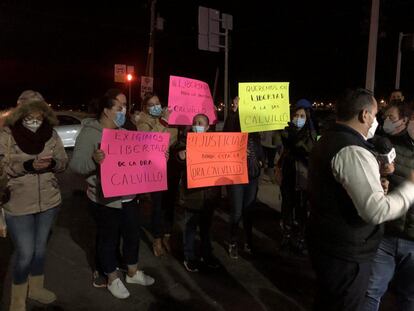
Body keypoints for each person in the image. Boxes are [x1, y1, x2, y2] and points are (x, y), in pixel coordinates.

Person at [307, 88, 414, 311]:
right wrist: (410, 188)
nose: (377, 121)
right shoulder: (353, 150)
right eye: (375, 115)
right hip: (346, 251)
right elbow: (376, 211)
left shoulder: (330, 138)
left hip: (331, 244)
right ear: (364, 115)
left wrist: (377, 183)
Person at [70, 95, 154, 300]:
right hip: (105, 200)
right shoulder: (89, 134)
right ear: (106, 111)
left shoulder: (125, 133)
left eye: (124, 107)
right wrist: (94, 160)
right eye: (119, 107)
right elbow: (76, 166)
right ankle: (112, 277)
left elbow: (140, 159)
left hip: (129, 199)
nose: (124, 111)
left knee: (133, 236)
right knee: (108, 240)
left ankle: (133, 273)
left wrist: (158, 155)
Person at [0, 99, 68, 311]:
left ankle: (36, 289)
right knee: (26, 253)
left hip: (48, 202)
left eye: (39, 118)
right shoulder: (6, 135)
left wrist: (54, 163)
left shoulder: (52, 134)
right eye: (29, 118)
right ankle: (17, 300)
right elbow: (2, 167)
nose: (34, 122)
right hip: (18, 203)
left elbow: (63, 161)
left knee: (40, 250)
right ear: (20, 116)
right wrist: (27, 165)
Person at [363, 102, 414, 311]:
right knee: (371, 291)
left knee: (409, 297)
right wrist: (382, 177)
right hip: (387, 232)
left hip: (413, 241)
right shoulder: (390, 145)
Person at [171, 114, 220, 272]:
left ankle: (207, 254)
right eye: (194, 123)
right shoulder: (184, 142)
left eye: (200, 123)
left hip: (209, 195)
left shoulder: (216, 144)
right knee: (190, 228)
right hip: (192, 195)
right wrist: (180, 156)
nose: (196, 125)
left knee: (206, 229)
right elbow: (176, 160)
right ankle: (189, 257)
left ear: (207, 127)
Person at [135, 93, 178, 256]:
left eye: (158, 103)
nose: (156, 106)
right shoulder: (143, 122)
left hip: (171, 166)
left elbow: (172, 137)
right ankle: (157, 238)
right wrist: (163, 122)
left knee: (169, 203)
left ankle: (167, 234)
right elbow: (149, 141)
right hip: (155, 167)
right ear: (145, 107)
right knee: (158, 205)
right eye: (151, 104)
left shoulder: (167, 117)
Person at [223, 96, 265, 259]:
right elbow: (226, 134)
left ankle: (248, 241)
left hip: (252, 176)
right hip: (235, 176)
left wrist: (261, 161)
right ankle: (233, 241)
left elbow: (259, 147)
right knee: (236, 212)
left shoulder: (255, 130)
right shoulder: (233, 124)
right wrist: (234, 112)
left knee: (249, 211)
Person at [277, 103, 317, 255]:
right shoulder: (285, 132)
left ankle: (301, 239)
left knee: (301, 209)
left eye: (302, 116)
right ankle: (286, 236)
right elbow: (278, 144)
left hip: (303, 178)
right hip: (288, 176)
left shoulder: (311, 135)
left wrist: (295, 142)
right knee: (287, 207)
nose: (298, 119)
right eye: (296, 115)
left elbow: (308, 151)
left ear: (307, 119)